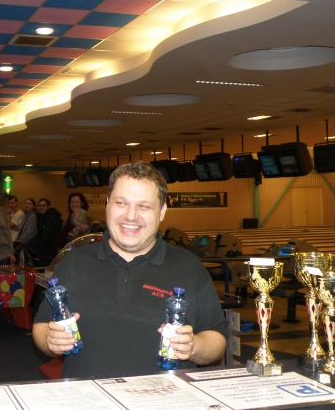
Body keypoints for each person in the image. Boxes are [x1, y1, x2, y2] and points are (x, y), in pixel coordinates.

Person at [32, 161, 228, 379]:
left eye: (144, 206)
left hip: (165, 399)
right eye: (121, 203)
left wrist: (195, 346)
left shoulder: (188, 266)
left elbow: (217, 338)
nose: (131, 216)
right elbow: (41, 325)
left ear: (162, 211)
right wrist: (50, 340)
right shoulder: (74, 262)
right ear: (108, 204)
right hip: (88, 398)